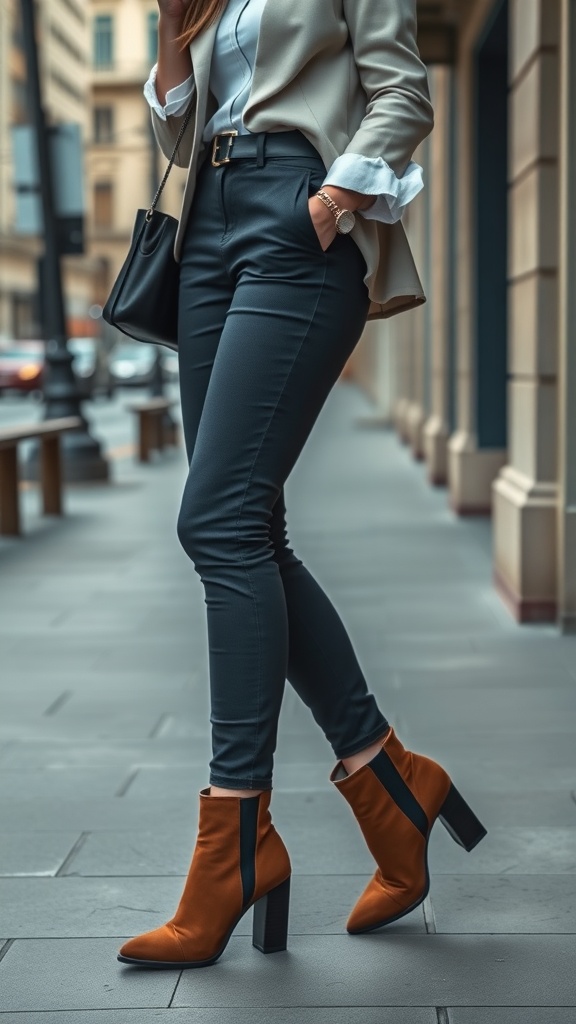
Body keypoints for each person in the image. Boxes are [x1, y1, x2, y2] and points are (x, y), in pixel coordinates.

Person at [118, 0, 486, 970]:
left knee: (218, 520)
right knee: (249, 526)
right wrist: (171, 33)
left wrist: (332, 202)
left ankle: (235, 834)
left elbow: (402, 92)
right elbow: (174, 127)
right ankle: (392, 784)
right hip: (206, 229)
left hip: (298, 220)